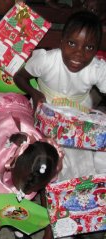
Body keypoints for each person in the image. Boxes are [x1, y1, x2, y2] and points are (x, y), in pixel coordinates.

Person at [14, 10, 106, 239]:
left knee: (85, 161)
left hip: (77, 116)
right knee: (50, 161)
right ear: (62, 40)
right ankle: (55, 217)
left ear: (96, 50)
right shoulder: (46, 59)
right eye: (72, 43)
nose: (78, 54)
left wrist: (95, 111)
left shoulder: (97, 68)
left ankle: (78, 214)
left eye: (89, 48)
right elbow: (19, 77)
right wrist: (34, 93)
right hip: (46, 113)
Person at [0, 91, 63, 239]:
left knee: (24, 193)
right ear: (14, 166)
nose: (23, 192)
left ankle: (18, 223)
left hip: (20, 114)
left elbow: (48, 193)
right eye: (24, 187)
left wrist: (50, 227)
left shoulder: (48, 162)